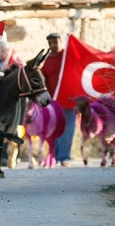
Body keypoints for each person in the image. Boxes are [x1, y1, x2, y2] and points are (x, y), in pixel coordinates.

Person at [40, 33, 76, 167]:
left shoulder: (68, 56)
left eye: (55, 42)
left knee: (68, 128)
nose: (53, 45)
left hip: (68, 99)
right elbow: (43, 80)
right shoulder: (47, 60)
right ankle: (54, 156)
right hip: (54, 102)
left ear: (61, 42)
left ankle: (64, 157)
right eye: (50, 43)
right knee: (54, 129)